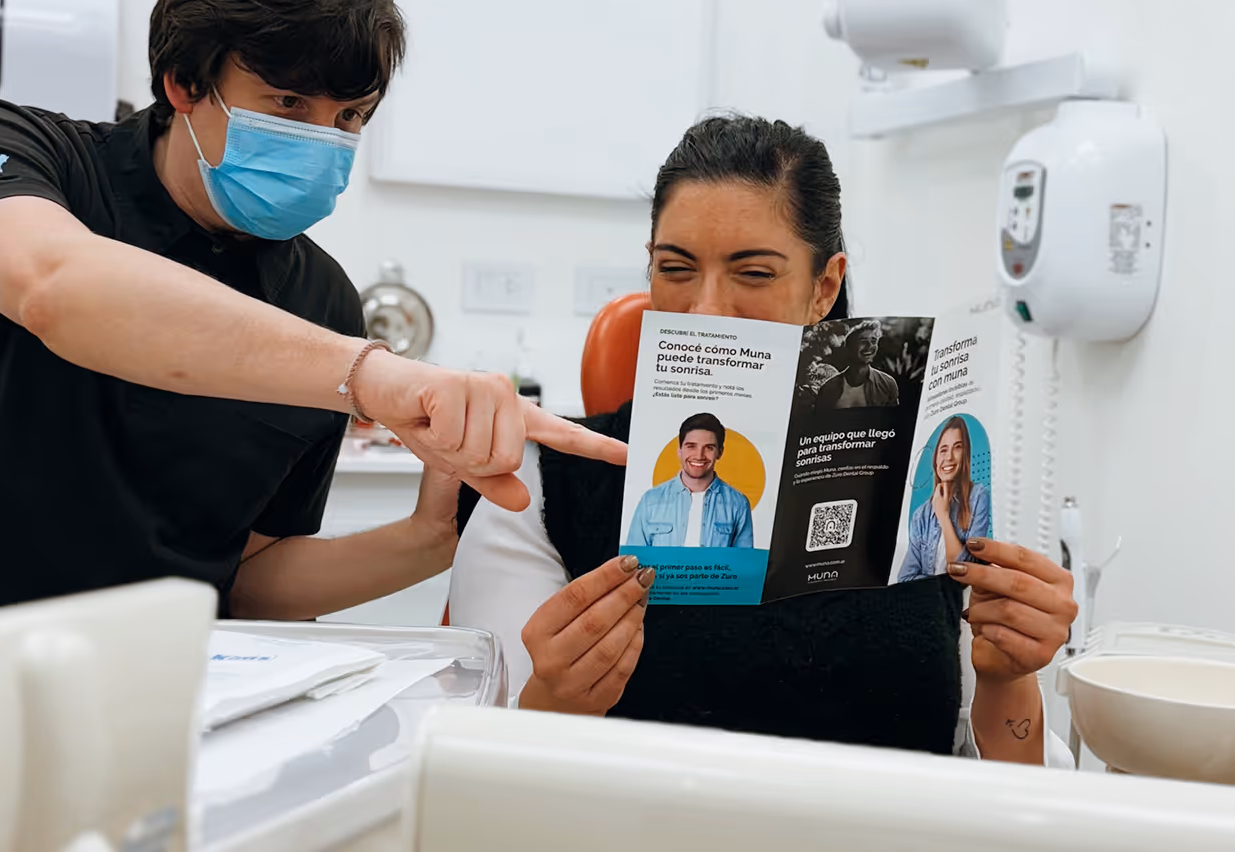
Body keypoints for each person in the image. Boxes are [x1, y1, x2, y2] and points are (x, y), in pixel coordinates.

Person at [0, 0, 622, 617]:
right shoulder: (19, 152)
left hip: (165, 668)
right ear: (184, 82)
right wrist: (371, 376)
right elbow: (54, 286)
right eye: (288, 103)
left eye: (349, 118)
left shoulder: (324, 303)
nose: (322, 141)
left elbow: (246, 580)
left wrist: (432, 537)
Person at [449, 115, 1078, 766]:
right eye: (675, 268)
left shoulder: (913, 482)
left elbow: (1012, 782)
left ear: (824, 287)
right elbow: (471, 775)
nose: (706, 309)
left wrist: (1010, 679)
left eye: (752, 273)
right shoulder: (540, 484)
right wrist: (552, 702)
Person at [626, 413, 753, 549]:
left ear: (720, 452)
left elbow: (743, 561)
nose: (699, 455)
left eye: (709, 448)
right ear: (679, 450)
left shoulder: (738, 504)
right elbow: (633, 557)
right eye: (691, 446)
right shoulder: (650, 500)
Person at [899, 416, 991, 582]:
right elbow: (905, 578)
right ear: (935, 459)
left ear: (965, 455)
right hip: (934, 597)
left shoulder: (978, 497)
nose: (948, 457)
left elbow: (966, 572)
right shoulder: (921, 515)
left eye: (957, 448)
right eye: (943, 450)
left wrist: (943, 515)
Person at [813, 319, 899, 410]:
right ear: (849, 348)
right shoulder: (828, 388)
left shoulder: (887, 384)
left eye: (873, 341)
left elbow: (893, 417)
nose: (869, 346)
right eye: (863, 341)